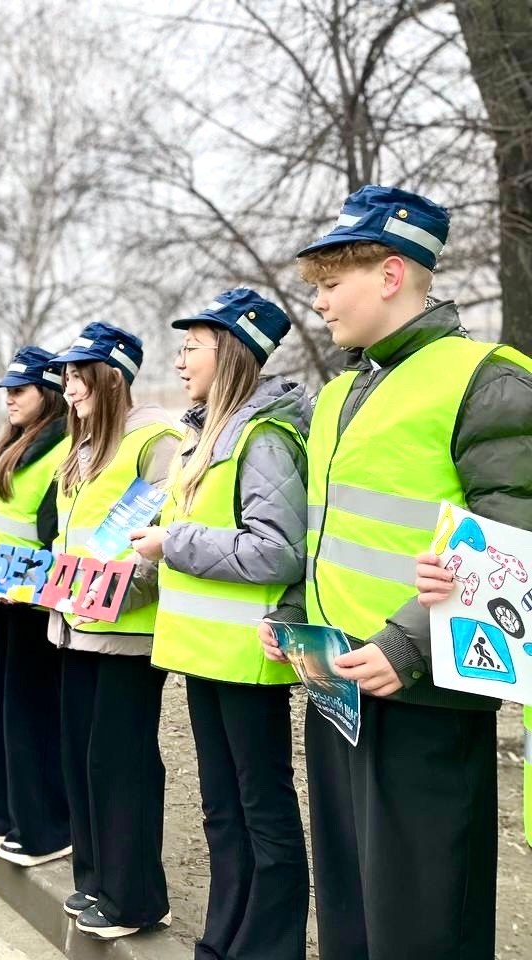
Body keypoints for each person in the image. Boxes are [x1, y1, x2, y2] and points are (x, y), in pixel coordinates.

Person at [260, 185, 532, 960]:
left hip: (425, 702)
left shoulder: (488, 378)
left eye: (330, 283)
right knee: (350, 915)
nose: (318, 303)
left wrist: (407, 645)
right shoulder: (342, 390)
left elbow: (517, 533)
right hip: (336, 688)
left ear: (389, 274)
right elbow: (321, 529)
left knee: (422, 924)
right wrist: (288, 615)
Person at [131, 289, 310, 960]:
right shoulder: (204, 436)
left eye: (191, 348)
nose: (180, 361)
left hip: (247, 659)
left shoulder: (264, 439)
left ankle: (270, 947)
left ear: (230, 352)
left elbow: (279, 549)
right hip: (205, 655)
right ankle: (225, 940)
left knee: (262, 813)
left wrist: (172, 542)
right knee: (221, 812)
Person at [48, 322, 181, 941]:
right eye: (67, 378)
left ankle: (135, 897)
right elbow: (70, 535)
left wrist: (110, 591)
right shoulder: (79, 451)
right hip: (72, 627)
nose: (70, 389)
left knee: (119, 762)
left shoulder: (156, 441)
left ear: (114, 378)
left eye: (80, 377)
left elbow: (159, 541)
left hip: (125, 633)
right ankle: (96, 878)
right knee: (79, 757)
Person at [0, 347, 72, 866]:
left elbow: (56, 537)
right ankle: (7, 812)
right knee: (0, 713)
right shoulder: (12, 446)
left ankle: (45, 826)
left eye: (21, 390)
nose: (9, 399)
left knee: (32, 718)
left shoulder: (60, 449)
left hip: (32, 605)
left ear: (48, 393)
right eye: (7, 391)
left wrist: (26, 583)